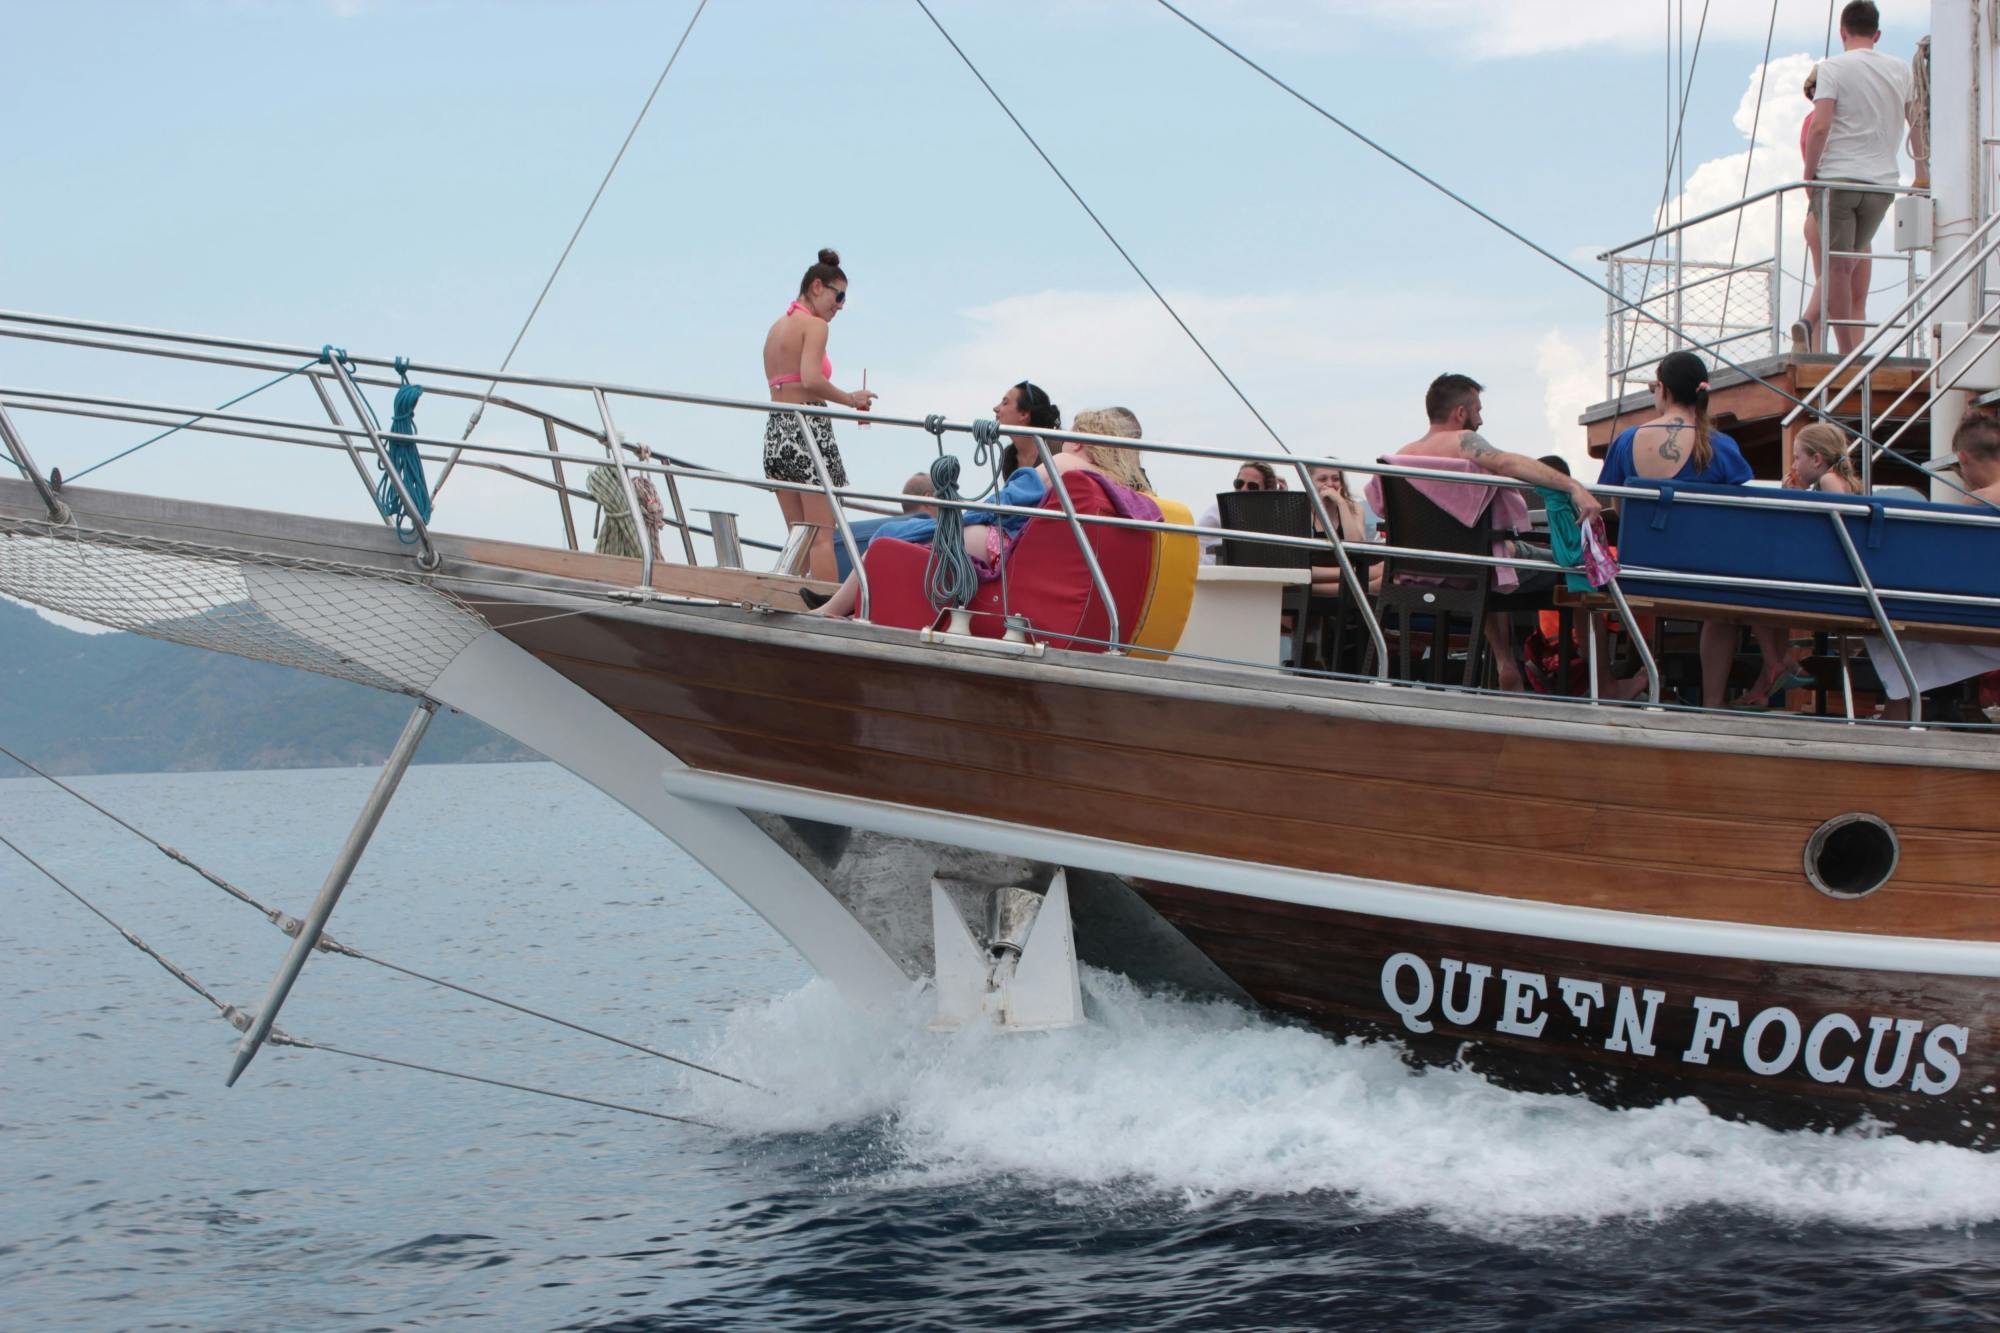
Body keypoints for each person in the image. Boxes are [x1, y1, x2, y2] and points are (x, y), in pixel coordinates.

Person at [1390, 373, 1602, 690]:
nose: (1481, 420)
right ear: (1460, 413)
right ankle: (1599, 680)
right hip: (1476, 568)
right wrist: (1572, 486)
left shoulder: (1400, 457)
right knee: (1587, 570)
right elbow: (1505, 463)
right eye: (1477, 410)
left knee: (1490, 558)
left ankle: (1506, 661)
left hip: (1421, 569)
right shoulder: (1463, 442)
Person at [811, 382, 1062, 618]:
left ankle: (838, 604)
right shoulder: (1010, 457)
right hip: (999, 532)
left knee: (901, 534)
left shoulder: (1053, 457)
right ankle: (845, 601)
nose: (996, 408)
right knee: (903, 535)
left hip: (1019, 543)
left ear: (1024, 415)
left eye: (1005, 402)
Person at [1801, 2, 1917, 355]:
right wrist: (1922, 176)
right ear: (1877, 34)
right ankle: (1847, 348)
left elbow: (1820, 126)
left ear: (1842, 31)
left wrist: (1809, 175)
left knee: (1837, 268)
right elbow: (1917, 124)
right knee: (1852, 268)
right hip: (1882, 186)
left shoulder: (1832, 68)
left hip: (1838, 181)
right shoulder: (1901, 69)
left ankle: (1847, 353)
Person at [1867, 413, 2000, 719]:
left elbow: (1948, 564)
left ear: (1962, 458)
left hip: (1985, 614)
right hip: (1989, 609)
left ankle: (1899, 712)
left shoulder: (1978, 502)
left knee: (1887, 625)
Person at [763, 247, 877, 582]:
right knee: (822, 536)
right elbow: (812, 379)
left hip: (777, 431)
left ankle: (790, 603)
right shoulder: (814, 326)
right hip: (808, 430)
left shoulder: (776, 328)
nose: (840, 306)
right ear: (817, 287)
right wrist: (850, 399)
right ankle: (826, 613)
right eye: (838, 296)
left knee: (798, 538)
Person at [1794, 68, 1831, 354]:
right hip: (1832, 205)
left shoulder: (1809, 122)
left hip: (1814, 209)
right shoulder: (1830, 123)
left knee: (1824, 280)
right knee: (1853, 296)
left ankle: (1815, 351)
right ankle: (1807, 323)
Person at [1197, 461, 1281, 564]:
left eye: (1252, 486)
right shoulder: (1220, 511)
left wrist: (1280, 501)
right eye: (1239, 483)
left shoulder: (1271, 517)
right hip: (1211, 571)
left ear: (1267, 491)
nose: (1243, 489)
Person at [1787, 422, 1861, 494]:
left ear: (1816, 460)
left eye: (1797, 458)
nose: (1793, 466)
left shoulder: (1828, 479)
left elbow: (1839, 506)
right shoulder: (1835, 478)